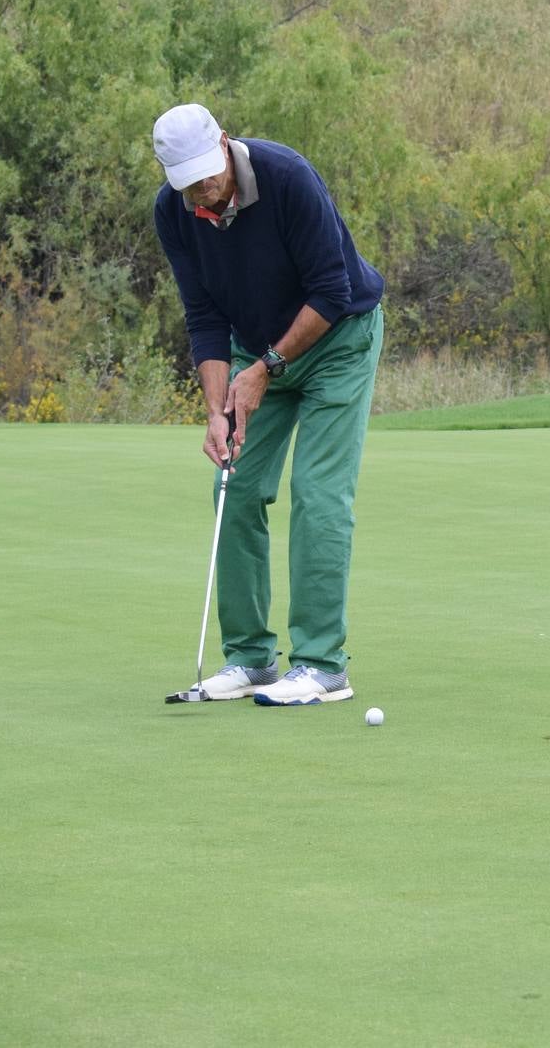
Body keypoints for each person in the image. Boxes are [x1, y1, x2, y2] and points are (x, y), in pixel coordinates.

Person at [152, 103, 386, 705]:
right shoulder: (174, 215)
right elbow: (203, 316)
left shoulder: (287, 177)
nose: (204, 191)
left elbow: (333, 289)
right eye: (189, 185)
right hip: (255, 350)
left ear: (225, 146)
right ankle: (252, 658)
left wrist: (265, 370)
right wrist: (215, 407)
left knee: (317, 493)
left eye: (209, 175)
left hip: (338, 339)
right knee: (235, 485)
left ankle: (321, 665)